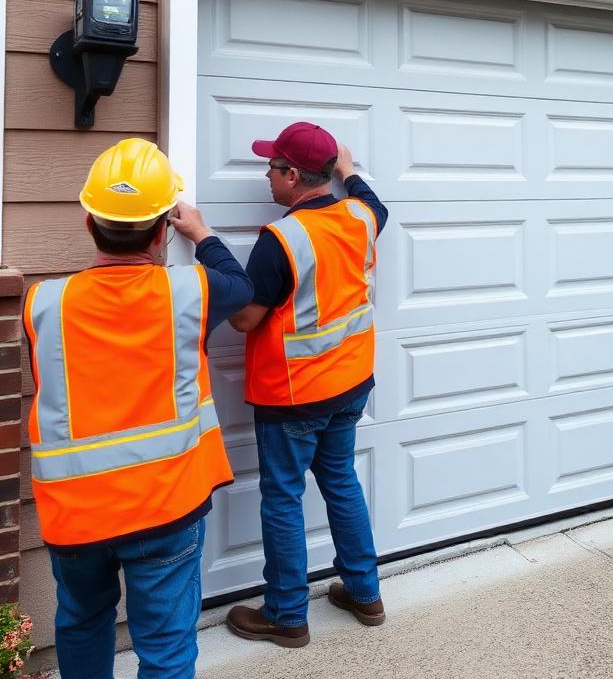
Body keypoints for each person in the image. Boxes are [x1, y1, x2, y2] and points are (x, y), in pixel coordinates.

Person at [23, 138, 253, 679]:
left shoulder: (43, 302)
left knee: (82, 622)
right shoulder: (192, 291)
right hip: (164, 506)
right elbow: (242, 287)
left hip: (77, 512)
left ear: (89, 222)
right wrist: (202, 233)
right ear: (160, 232)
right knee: (166, 647)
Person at [226, 122, 387, 648]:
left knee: (282, 498)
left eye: (272, 167)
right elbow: (373, 203)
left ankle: (287, 615)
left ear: (293, 176)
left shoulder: (282, 239)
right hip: (350, 384)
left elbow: (245, 320)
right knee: (340, 480)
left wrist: (207, 249)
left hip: (295, 395)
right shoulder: (361, 217)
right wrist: (348, 168)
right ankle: (364, 593)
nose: (267, 175)